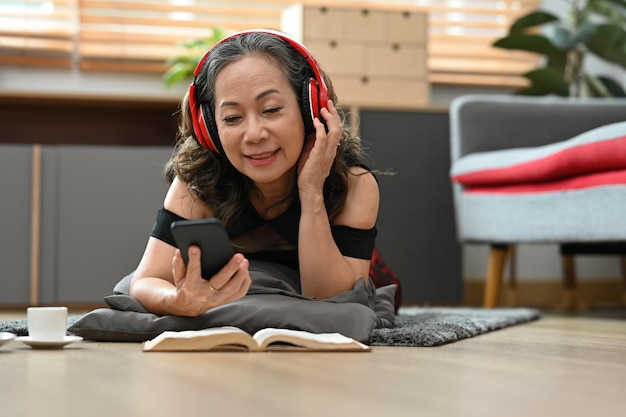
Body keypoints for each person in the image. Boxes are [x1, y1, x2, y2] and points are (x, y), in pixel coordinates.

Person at [130, 29, 380, 317]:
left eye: (271, 110)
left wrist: (311, 193)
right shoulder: (198, 182)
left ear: (310, 109)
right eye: (232, 118)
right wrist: (176, 299)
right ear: (209, 127)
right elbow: (145, 281)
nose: (254, 134)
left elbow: (331, 302)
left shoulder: (356, 185)